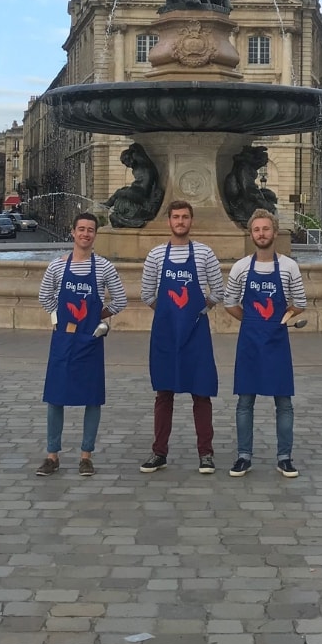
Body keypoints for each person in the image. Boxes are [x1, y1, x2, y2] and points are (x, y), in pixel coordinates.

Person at [36, 213, 127, 477]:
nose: (86, 234)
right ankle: (52, 455)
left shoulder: (104, 267)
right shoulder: (57, 266)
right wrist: (57, 317)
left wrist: (98, 318)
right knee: (55, 397)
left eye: (90, 230)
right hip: (63, 338)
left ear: (95, 235)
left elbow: (120, 300)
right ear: (73, 232)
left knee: (92, 398)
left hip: (89, 340)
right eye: (81, 229)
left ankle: (86, 456)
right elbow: (44, 295)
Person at [139, 201, 224, 474]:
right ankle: (159, 452)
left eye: (185, 217)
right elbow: (147, 294)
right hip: (165, 334)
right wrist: (167, 313)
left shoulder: (204, 253)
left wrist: (199, 310)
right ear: (169, 221)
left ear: (191, 220)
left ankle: (206, 454)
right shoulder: (155, 255)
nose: (180, 221)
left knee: (202, 393)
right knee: (163, 393)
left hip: (196, 333)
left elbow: (218, 291)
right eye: (175, 217)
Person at [223, 209, 307, 478]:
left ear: (274, 232)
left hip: (277, 341)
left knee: (283, 402)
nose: (261, 233)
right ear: (251, 234)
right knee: (245, 401)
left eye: (266, 229)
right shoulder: (240, 267)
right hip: (249, 341)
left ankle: (285, 457)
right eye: (256, 229)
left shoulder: (289, 266)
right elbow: (229, 302)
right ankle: (243, 456)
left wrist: (282, 319)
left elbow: (300, 303)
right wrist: (250, 321)